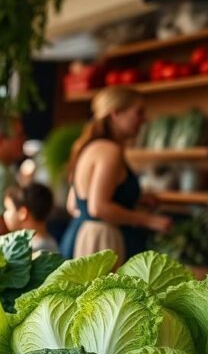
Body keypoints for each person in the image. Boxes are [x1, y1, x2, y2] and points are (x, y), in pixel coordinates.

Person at [60, 87, 172, 265]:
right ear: (116, 114)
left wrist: (135, 198)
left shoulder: (89, 146)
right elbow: (98, 208)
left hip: (80, 236)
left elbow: (74, 205)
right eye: (139, 112)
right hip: (101, 242)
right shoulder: (109, 151)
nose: (145, 119)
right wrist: (150, 220)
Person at [4, 183, 59, 253]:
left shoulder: (33, 252)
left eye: (7, 209)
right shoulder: (50, 243)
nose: (5, 214)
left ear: (23, 213)